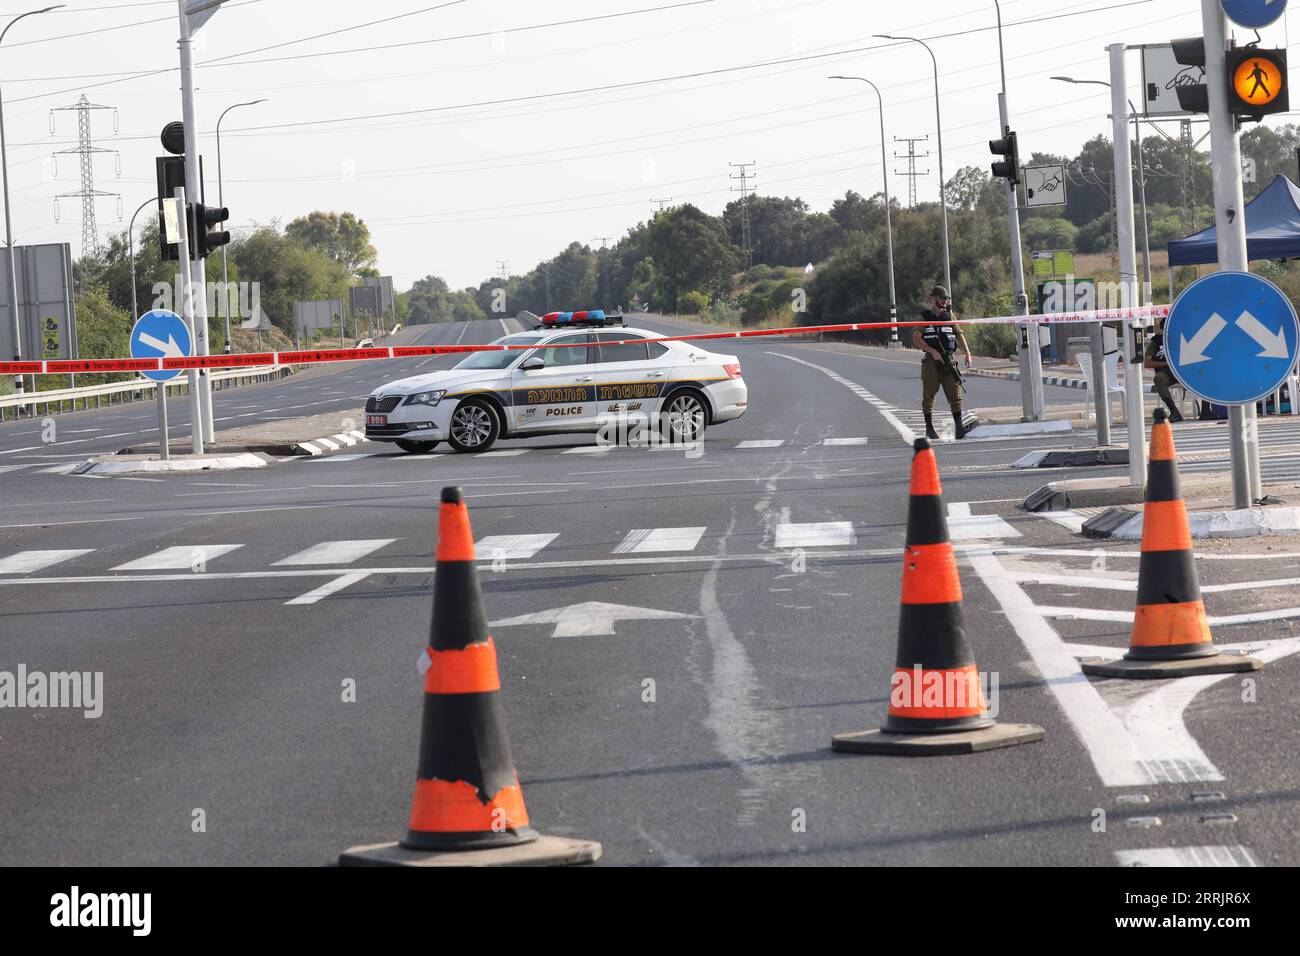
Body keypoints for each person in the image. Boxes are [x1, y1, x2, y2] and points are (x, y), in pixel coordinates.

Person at [913, 286, 974, 440]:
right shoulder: (925, 317)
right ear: (934, 299)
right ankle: (929, 428)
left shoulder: (950, 316)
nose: (945, 301)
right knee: (929, 395)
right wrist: (932, 351)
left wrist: (967, 353)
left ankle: (959, 428)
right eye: (942, 298)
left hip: (949, 360)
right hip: (931, 362)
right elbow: (916, 339)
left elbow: (959, 335)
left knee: (955, 393)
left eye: (946, 298)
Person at [1144, 320, 1188, 422]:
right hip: (1167, 373)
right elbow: (1147, 363)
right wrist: (1166, 363)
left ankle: (1206, 410)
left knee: (1203, 371)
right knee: (1158, 378)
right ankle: (1174, 411)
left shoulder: (1182, 338)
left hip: (1183, 372)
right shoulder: (1156, 342)